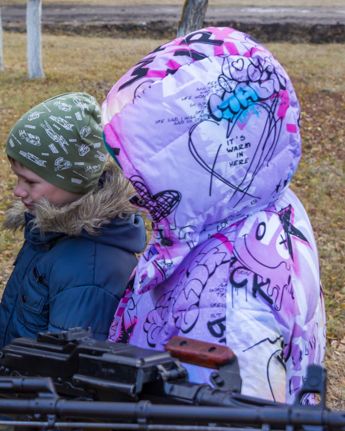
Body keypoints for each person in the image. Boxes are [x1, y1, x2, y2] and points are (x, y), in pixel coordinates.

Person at [104, 27, 325, 404]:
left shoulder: (228, 301)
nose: (129, 178)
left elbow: (229, 416)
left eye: (141, 164)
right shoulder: (257, 198)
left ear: (199, 160)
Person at [0, 93, 145, 355]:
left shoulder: (92, 270)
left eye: (30, 182)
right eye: (17, 178)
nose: (18, 191)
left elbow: (67, 368)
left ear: (71, 179)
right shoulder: (49, 233)